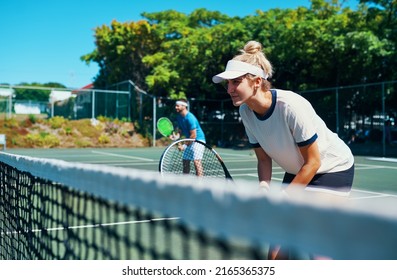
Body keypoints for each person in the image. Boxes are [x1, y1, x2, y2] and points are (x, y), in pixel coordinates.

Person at [212, 40, 355, 259]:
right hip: (299, 169)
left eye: (236, 82)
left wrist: (285, 196)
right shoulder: (246, 113)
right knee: (277, 250)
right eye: (227, 84)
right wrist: (263, 186)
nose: (229, 89)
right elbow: (263, 160)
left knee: (315, 246)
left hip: (332, 169)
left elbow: (314, 162)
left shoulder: (289, 106)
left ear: (257, 81)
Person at [173, 99, 206, 176]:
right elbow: (180, 131)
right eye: (176, 106)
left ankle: (200, 184)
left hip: (198, 140)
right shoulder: (179, 117)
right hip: (190, 140)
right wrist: (176, 136)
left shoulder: (190, 118)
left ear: (184, 106)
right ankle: (185, 182)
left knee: (196, 162)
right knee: (185, 161)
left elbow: (193, 135)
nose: (176, 107)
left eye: (177, 106)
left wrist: (184, 146)